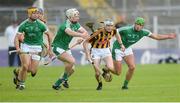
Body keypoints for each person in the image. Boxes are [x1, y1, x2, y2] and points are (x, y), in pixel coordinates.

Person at [110, 17, 176, 89]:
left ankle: (125, 86)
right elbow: (114, 31)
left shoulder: (144, 32)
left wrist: (168, 36)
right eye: (137, 24)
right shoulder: (126, 29)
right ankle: (107, 68)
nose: (138, 26)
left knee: (132, 67)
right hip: (117, 49)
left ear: (142, 26)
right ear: (134, 24)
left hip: (127, 48)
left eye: (141, 25)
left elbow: (156, 36)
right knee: (118, 72)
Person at [13, 7, 54, 90]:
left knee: (32, 71)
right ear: (29, 14)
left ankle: (18, 72)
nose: (36, 15)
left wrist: (50, 49)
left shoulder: (41, 25)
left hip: (37, 48)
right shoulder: (23, 25)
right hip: (26, 46)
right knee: (25, 66)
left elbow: (50, 35)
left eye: (37, 13)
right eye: (34, 13)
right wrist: (18, 48)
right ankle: (21, 84)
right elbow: (17, 38)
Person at [52, 8, 89, 90]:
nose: (77, 17)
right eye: (75, 16)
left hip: (66, 48)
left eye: (78, 15)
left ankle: (56, 84)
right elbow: (70, 32)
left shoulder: (76, 24)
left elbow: (85, 32)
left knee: (71, 70)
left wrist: (81, 38)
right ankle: (64, 79)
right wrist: (81, 35)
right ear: (70, 17)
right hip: (57, 47)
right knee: (72, 61)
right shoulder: (65, 25)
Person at [83, 19, 125, 90]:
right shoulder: (97, 32)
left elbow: (117, 35)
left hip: (106, 50)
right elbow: (85, 43)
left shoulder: (114, 30)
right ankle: (100, 84)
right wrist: (87, 55)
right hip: (95, 51)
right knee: (97, 73)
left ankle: (105, 69)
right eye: (108, 26)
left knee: (111, 68)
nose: (109, 27)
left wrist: (121, 44)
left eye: (111, 26)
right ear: (105, 26)